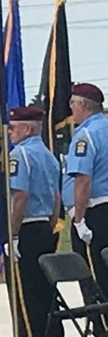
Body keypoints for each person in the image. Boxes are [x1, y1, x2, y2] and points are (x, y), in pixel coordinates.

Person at [3, 106, 63, 337]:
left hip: (25, 228)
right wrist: (49, 225)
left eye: (13, 128)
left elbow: (20, 196)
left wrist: (13, 234)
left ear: (27, 129)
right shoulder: (49, 156)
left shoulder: (20, 155)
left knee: (25, 296)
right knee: (45, 293)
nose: (10, 133)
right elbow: (56, 198)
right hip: (43, 227)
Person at [66, 82, 108, 333]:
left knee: (94, 277)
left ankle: (102, 329)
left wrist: (79, 220)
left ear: (82, 105)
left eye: (72, 103)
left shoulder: (85, 135)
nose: (71, 108)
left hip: (93, 213)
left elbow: (82, 180)